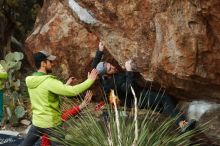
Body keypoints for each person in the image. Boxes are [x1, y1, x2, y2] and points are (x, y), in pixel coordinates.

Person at [92, 42, 196, 133]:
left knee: (161, 106)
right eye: (110, 69)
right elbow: (129, 89)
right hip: (136, 98)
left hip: (135, 96)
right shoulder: (113, 83)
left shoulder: (101, 77)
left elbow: (94, 67)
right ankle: (182, 124)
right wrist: (129, 71)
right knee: (164, 98)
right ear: (106, 75)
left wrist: (100, 51)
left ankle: (175, 121)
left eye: (111, 65)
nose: (113, 67)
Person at [20, 50, 98, 146]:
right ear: (43, 63)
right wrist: (90, 80)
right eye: (50, 61)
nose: (52, 64)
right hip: (51, 125)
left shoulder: (31, 80)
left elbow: (47, 95)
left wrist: (64, 85)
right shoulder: (49, 81)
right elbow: (72, 91)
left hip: (37, 122)